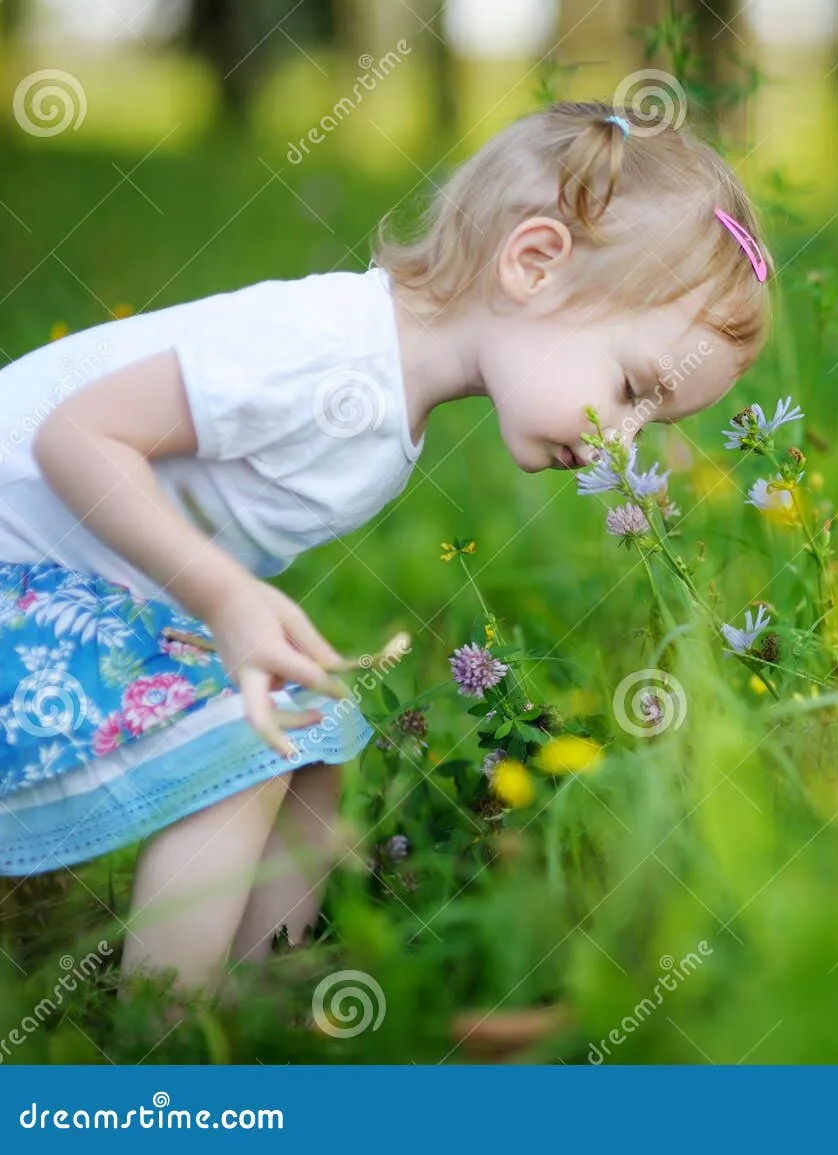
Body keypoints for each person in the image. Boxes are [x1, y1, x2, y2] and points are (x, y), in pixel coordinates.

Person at [0, 100, 772, 998]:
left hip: (63, 590)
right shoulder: (326, 350)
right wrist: (223, 598)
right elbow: (74, 438)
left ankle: (266, 994)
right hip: (20, 584)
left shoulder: (382, 401)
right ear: (533, 263)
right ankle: (162, 1031)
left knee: (314, 737)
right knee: (243, 742)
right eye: (633, 389)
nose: (621, 444)